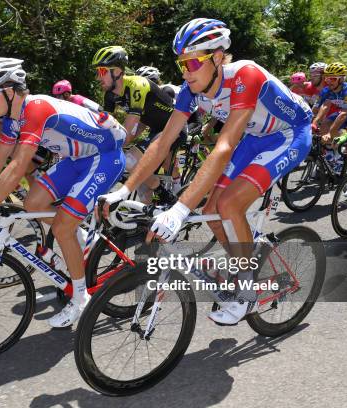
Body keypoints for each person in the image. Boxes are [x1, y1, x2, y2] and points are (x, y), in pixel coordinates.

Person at [99, 18, 313, 325]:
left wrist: (180, 209)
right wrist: (122, 190)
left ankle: (247, 287)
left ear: (216, 57)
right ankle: (246, 262)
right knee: (213, 211)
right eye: (181, 64)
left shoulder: (245, 76)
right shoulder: (190, 90)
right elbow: (162, 144)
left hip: (290, 134)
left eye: (193, 63)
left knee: (229, 205)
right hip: (256, 137)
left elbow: (224, 146)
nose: (186, 72)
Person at [0, 57, 126, 327]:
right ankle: (80, 235)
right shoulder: (12, 119)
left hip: (104, 157)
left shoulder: (35, 108)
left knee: (61, 229)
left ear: (9, 91)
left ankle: (81, 298)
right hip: (76, 159)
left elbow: (17, 166)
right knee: (33, 202)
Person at [93, 46, 180, 203]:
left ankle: (165, 193)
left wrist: (115, 145)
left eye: (102, 71)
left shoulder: (137, 85)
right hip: (154, 129)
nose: (98, 78)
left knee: (131, 161)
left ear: (118, 71)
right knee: (140, 180)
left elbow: (128, 126)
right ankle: (145, 219)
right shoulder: (110, 95)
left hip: (174, 127)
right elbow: (108, 124)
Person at [313, 62, 347, 172]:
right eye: (327, 79)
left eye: (332, 79)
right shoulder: (327, 90)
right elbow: (324, 107)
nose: (329, 82)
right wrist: (314, 122)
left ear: (341, 79)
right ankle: (336, 156)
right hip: (344, 112)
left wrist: (330, 133)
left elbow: (344, 113)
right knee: (324, 125)